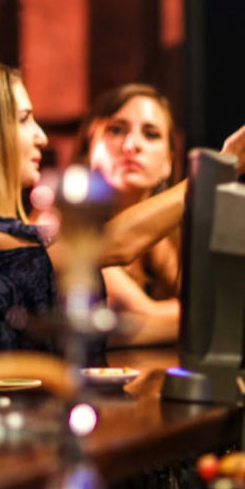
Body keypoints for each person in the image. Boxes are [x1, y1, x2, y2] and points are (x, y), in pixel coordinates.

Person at [0, 57, 245, 364]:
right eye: (24, 120)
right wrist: (215, 174)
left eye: (151, 135)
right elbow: (112, 245)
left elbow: (142, 319)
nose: (40, 136)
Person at [74, 84, 181, 346]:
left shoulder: (173, 234)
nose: (131, 145)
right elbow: (144, 314)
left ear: (168, 162)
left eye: (151, 134)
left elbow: (204, 298)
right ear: (91, 146)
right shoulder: (67, 226)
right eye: (116, 130)